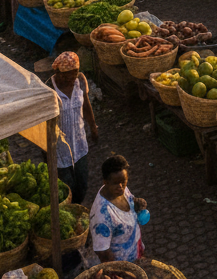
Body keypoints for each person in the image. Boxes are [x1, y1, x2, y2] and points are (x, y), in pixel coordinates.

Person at [49, 51, 98, 204]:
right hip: (60, 149)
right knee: (67, 186)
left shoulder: (80, 81)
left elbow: (86, 104)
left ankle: (77, 206)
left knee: (82, 184)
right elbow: (44, 122)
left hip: (79, 144)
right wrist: (46, 151)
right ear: (58, 73)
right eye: (68, 75)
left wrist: (93, 126)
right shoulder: (49, 88)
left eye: (75, 74)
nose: (72, 79)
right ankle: (71, 210)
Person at [91, 154, 147, 263]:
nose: (121, 186)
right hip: (122, 265)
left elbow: (130, 200)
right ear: (105, 182)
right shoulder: (102, 217)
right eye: (116, 183)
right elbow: (103, 253)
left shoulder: (119, 189)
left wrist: (137, 202)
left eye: (124, 181)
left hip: (135, 249)